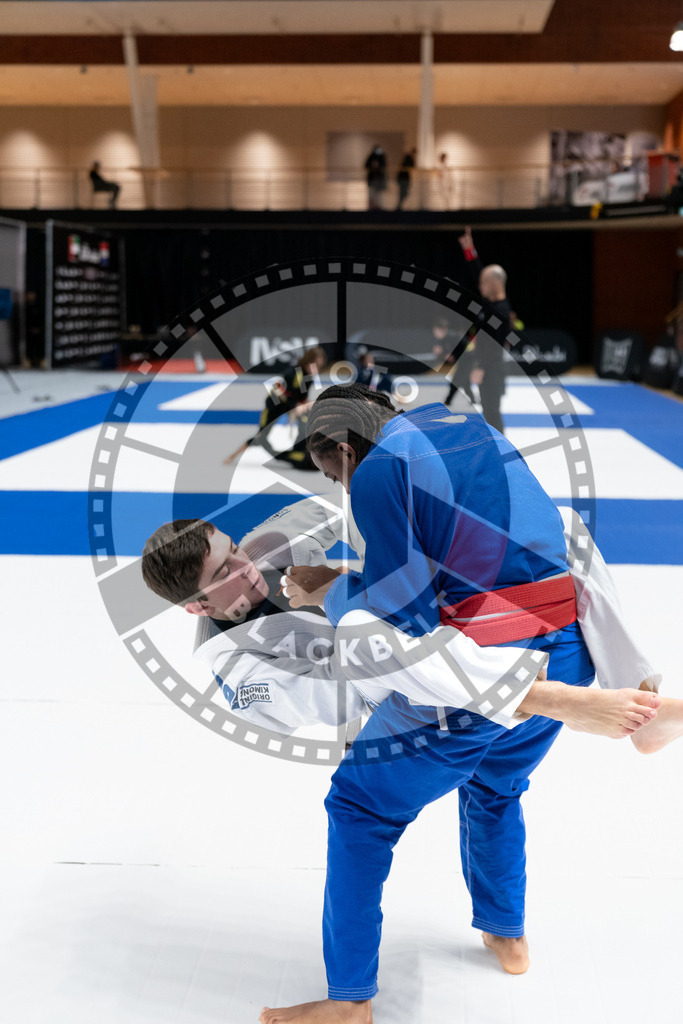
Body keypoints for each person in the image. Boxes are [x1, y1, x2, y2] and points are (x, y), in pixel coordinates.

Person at [258, 385, 672, 1024]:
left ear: (344, 447)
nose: (344, 488)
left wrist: (335, 590)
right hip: (565, 641)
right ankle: (507, 931)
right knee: (495, 788)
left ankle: (348, 1003)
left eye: (333, 472)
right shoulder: (474, 429)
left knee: (359, 807)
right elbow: (525, 541)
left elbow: (407, 618)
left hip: (481, 675)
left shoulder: (376, 471)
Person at [223, 347, 326, 468]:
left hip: (289, 406)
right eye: (314, 365)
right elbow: (278, 389)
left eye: (319, 367)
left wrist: (302, 408)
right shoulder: (294, 373)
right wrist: (294, 406)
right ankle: (233, 455)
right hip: (274, 406)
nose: (316, 370)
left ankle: (302, 452)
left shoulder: (309, 377)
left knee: (306, 422)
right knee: (261, 435)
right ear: (307, 361)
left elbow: (302, 398)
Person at [457, 225, 510, 434]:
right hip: (487, 367)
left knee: (492, 412)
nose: (480, 286)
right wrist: (470, 251)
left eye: (484, 283)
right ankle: (496, 449)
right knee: (488, 413)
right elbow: (480, 273)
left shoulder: (501, 311)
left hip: (491, 368)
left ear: (495, 283)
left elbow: (494, 344)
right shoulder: (491, 303)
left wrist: (481, 367)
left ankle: (503, 454)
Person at [364, 145, 387, 210]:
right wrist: (372, 164)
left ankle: (378, 206)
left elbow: (384, 165)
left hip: (379, 178)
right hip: (372, 178)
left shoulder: (382, 157)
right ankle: (371, 206)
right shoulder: (371, 156)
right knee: (371, 193)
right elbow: (366, 165)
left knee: (378, 194)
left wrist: (378, 165)